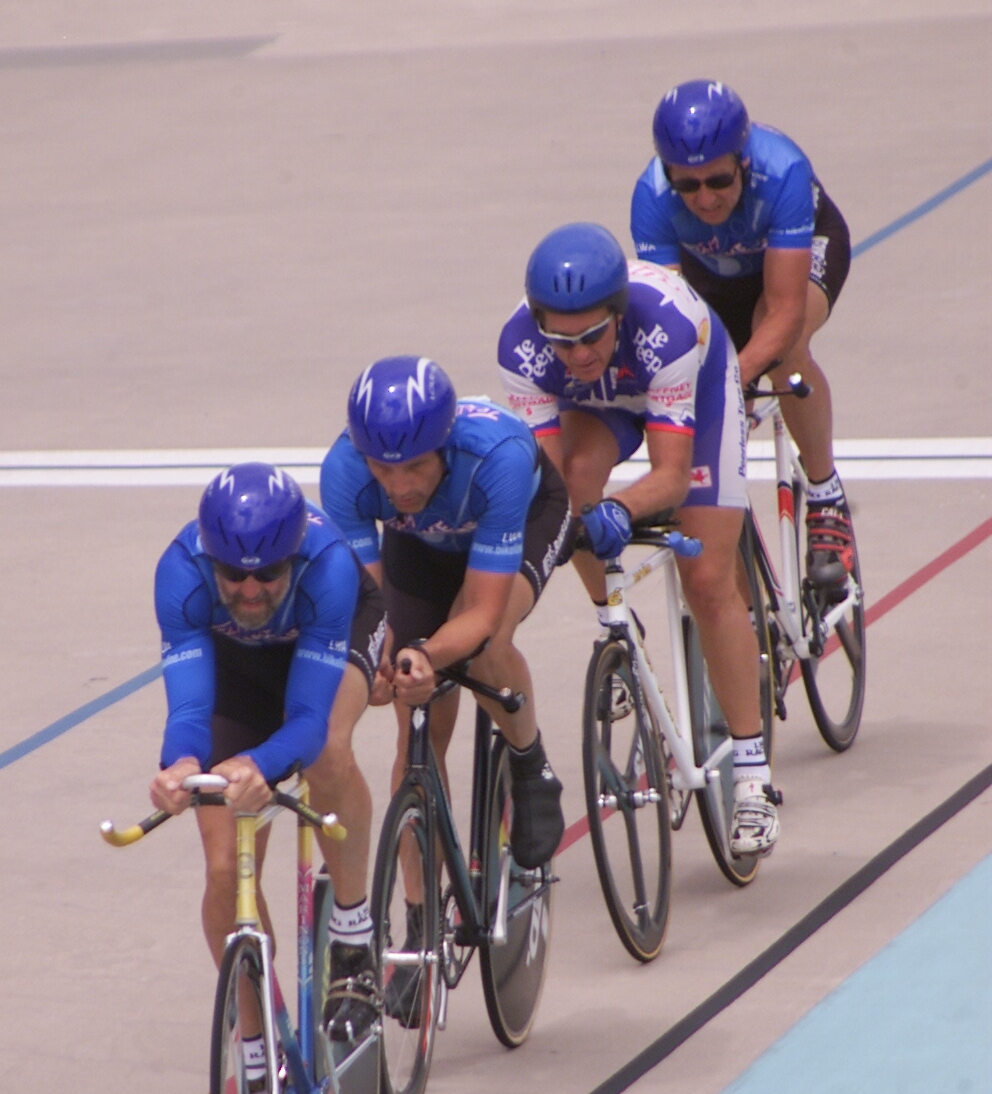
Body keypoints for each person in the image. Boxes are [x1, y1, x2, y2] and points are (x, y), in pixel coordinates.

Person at [498, 222, 780, 857]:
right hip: (600, 406)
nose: (577, 354)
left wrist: (620, 509)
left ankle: (753, 775)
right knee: (570, 489)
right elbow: (547, 488)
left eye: (591, 336)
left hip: (693, 391)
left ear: (618, 315)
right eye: (561, 341)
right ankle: (616, 621)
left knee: (706, 579)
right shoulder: (520, 349)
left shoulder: (666, 329)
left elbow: (671, 476)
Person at [148, 462, 386, 1054]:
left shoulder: (327, 566)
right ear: (211, 559)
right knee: (225, 872)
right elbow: (190, 710)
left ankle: (353, 933)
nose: (250, 590)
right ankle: (259, 1048)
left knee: (327, 751)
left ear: (293, 555)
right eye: (233, 575)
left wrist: (259, 764)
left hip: (327, 637)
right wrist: (180, 765)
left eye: (269, 573)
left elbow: (306, 720)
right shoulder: (180, 571)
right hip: (238, 662)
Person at [321, 354, 570, 898]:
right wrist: (379, 662)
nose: (398, 485)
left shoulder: (496, 458)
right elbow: (366, 606)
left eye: (414, 467)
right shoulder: (343, 470)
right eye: (383, 469)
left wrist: (428, 655)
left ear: (444, 445)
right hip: (423, 542)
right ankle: (420, 917)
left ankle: (529, 762)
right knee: (418, 723)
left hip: (521, 519)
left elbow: (481, 612)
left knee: (483, 648)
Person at [630, 79, 854, 597]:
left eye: (718, 180)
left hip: (795, 260)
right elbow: (670, 318)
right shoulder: (651, 197)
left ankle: (825, 495)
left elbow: (784, 310)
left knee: (781, 345)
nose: (705, 198)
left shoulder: (783, 171)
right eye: (688, 186)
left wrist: (732, 381)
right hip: (712, 275)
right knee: (694, 381)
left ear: (744, 162)